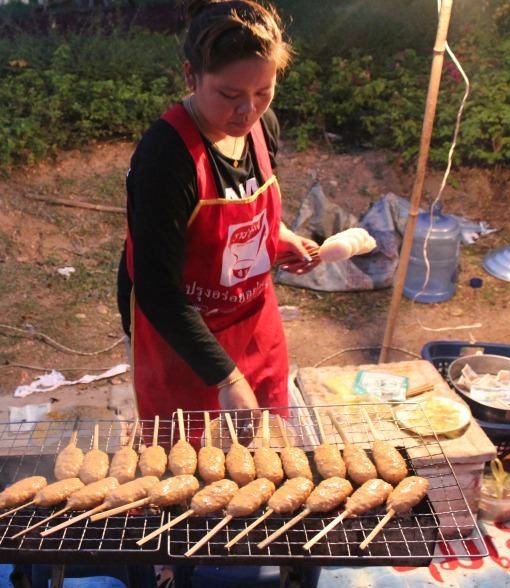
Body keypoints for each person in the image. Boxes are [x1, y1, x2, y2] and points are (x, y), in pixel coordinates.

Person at [117, 0, 320, 444]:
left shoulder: (262, 127)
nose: (247, 110)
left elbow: (249, 212)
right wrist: (226, 378)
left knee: (267, 450)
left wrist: (278, 237)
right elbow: (155, 289)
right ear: (191, 76)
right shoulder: (166, 158)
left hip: (253, 323)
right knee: (190, 465)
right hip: (181, 338)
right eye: (230, 95)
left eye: (263, 92)